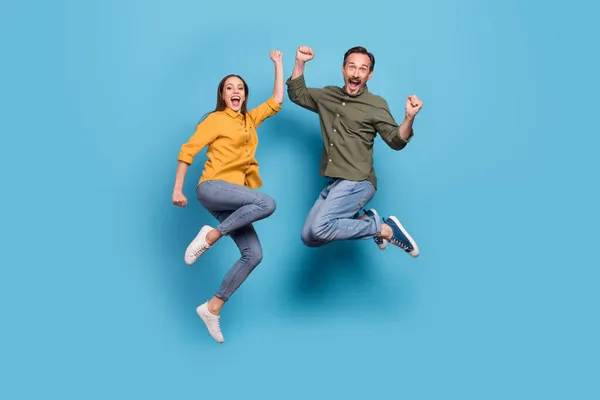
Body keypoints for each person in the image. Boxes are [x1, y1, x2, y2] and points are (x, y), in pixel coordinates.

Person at [172, 50, 284, 343]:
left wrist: (279, 64)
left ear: (245, 95)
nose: (236, 91)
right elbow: (188, 151)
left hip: (234, 201)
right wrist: (177, 189)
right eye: (229, 88)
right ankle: (211, 237)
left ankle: (212, 307)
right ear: (222, 95)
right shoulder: (216, 119)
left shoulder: (249, 120)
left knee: (254, 254)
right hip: (212, 188)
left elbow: (276, 101)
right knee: (266, 202)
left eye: (240, 88)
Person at [286, 45, 423, 257]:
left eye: (362, 69)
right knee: (309, 237)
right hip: (336, 182)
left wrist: (409, 118)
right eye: (352, 67)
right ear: (343, 70)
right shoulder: (328, 95)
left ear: (369, 74)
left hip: (358, 181)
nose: (356, 73)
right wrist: (300, 62)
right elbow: (297, 94)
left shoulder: (376, 105)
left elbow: (396, 141)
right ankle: (365, 221)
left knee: (319, 228)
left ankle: (385, 229)